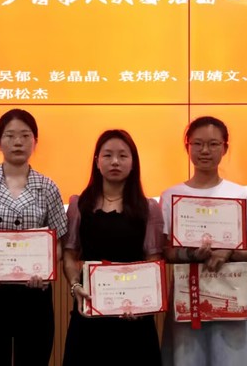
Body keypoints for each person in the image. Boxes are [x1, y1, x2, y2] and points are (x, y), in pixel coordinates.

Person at [0, 108, 68, 366]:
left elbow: (58, 244)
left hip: (34, 295)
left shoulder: (48, 187)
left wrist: (45, 270)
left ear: (35, 141)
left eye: (25, 135)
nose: (18, 142)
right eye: (9, 136)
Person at [160, 116, 247, 366]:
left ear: (225, 148)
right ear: (187, 146)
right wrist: (191, 254)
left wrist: (228, 252)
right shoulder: (171, 195)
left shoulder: (241, 194)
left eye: (213, 144)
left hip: (232, 295)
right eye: (197, 144)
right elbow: (166, 251)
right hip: (188, 297)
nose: (205, 150)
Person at [62, 129, 164, 366]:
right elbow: (69, 254)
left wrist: (142, 302)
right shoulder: (80, 205)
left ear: (133, 163)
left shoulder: (148, 208)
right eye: (107, 155)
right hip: (90, 308)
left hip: (134, 316)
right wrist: (75, 286)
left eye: (122, 156)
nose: (115, 161)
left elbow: (154, 259)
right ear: (97, 161)